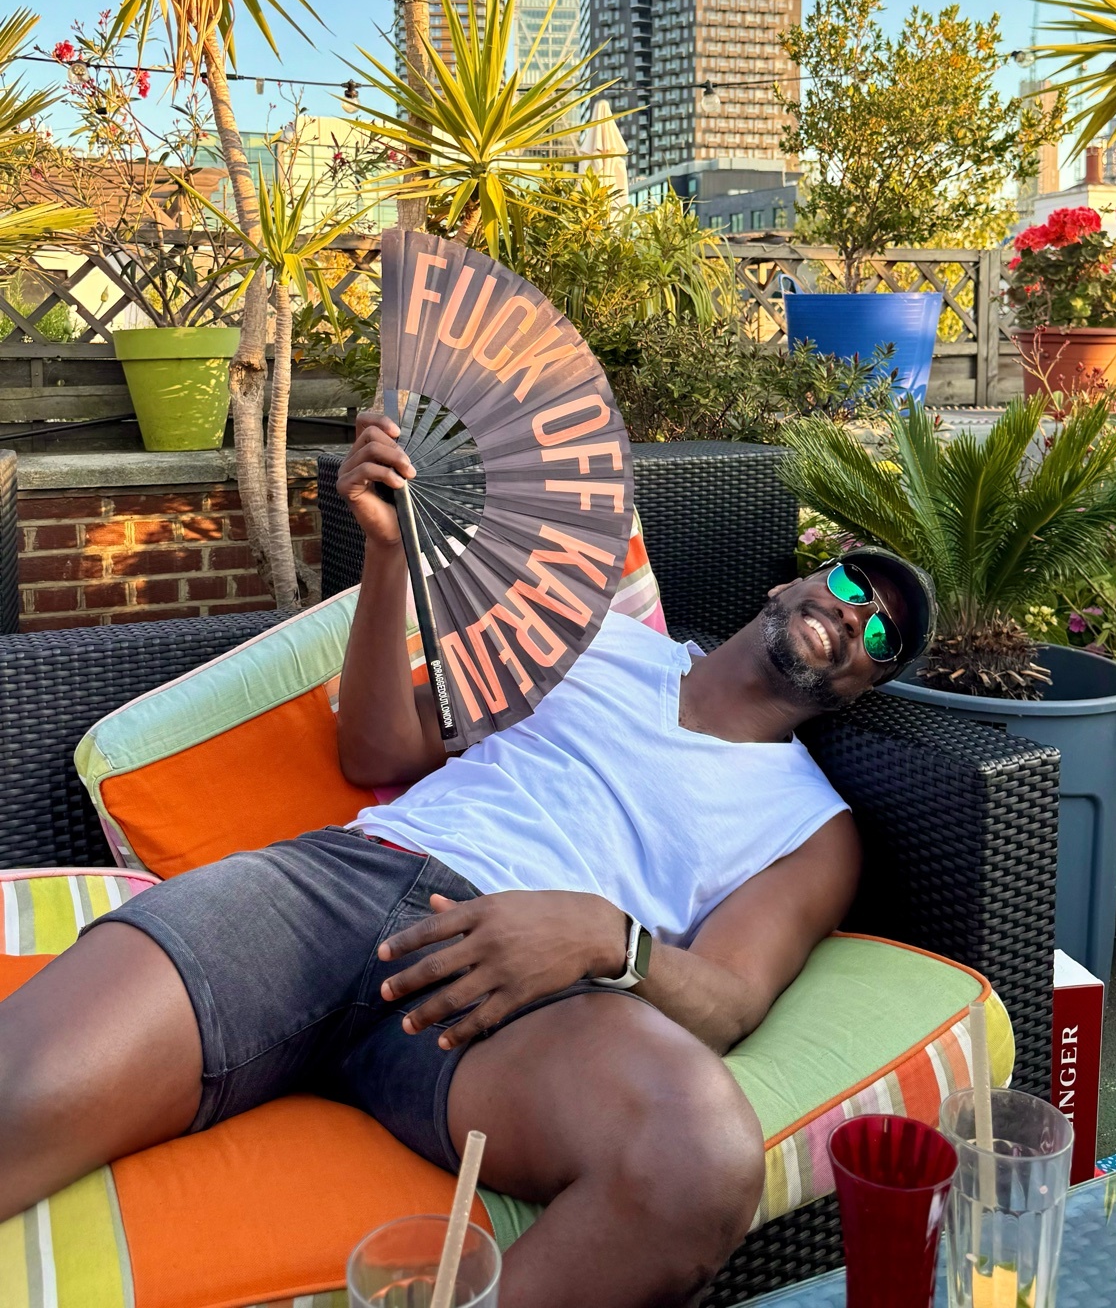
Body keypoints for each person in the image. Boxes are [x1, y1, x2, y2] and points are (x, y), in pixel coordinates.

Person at [0, 413, 936, 1308]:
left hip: (528, 998)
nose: (855, 619)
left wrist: (608, 939)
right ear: (792, 586)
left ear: (864, 684)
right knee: (26, 1087)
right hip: (342, 890)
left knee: (697, 1159)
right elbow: (377, 751)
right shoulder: (591, 638)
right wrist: (386, 557)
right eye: (853, 588)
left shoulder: (814, 828)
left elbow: (730, 1000)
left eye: (882, 637)